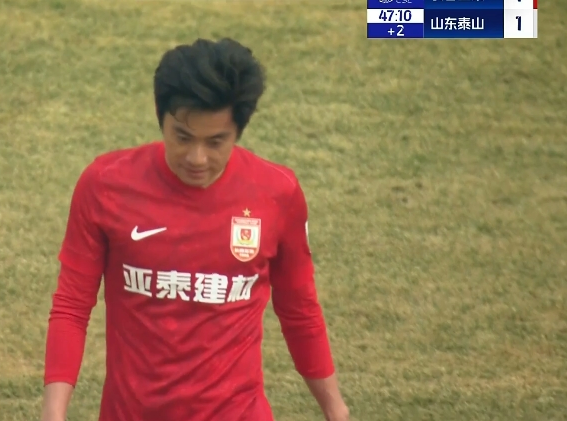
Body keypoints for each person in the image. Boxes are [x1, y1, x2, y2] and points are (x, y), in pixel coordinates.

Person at [40, 37, 350, 421]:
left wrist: (336, 410)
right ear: (161, 120)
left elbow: (299, 310)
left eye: (216, 142)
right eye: (182, 137)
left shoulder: (277, 194)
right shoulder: (105, 185)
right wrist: (53, 414)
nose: (197, 158)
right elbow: (72, 306)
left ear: (238, 132)